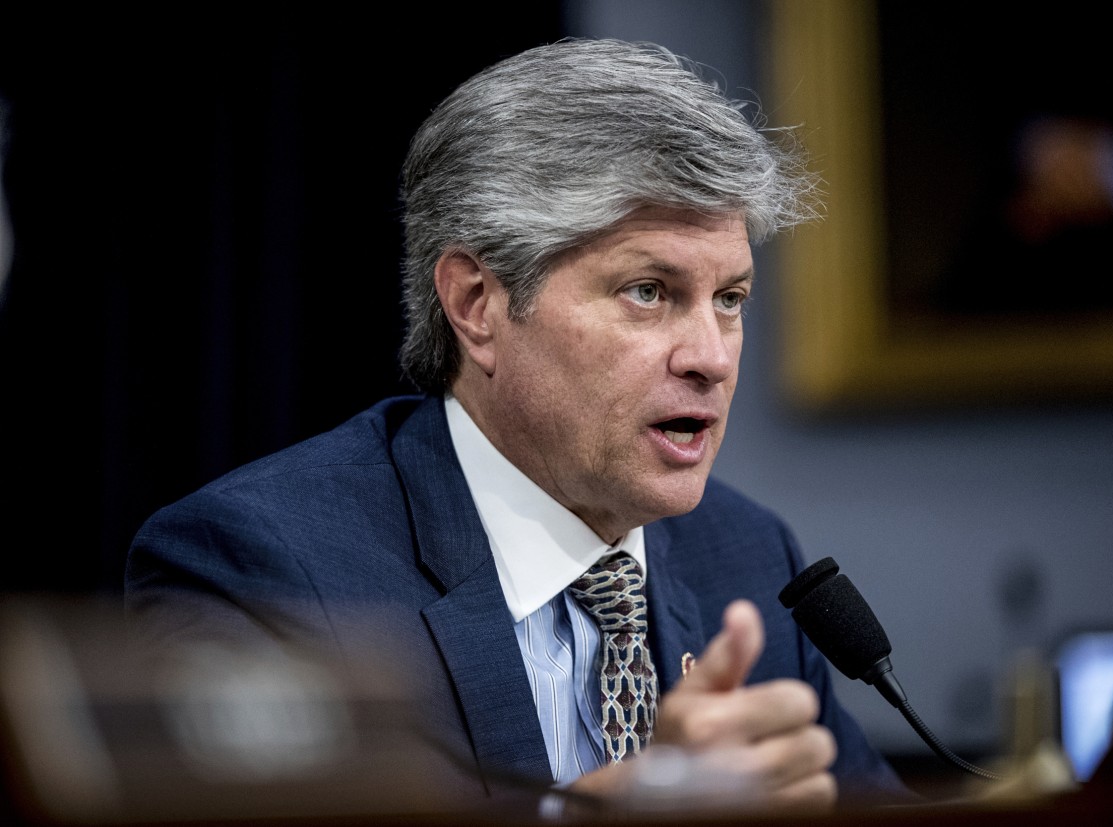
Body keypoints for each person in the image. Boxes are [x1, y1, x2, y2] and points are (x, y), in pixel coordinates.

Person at [125, 37, 910, 815]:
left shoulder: (745, 557)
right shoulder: (263, 569)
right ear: (476, 304)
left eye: (729, 298)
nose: (711, 356)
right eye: (647, 290)